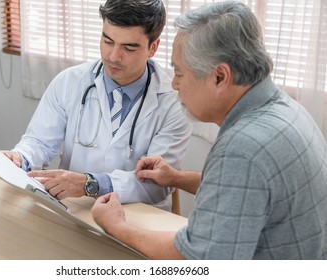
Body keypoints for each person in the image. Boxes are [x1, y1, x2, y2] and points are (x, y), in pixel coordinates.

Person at [91, 1, 327, 259]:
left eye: (180, 73)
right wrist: (176, 178)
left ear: (219, 77)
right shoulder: (286, 110)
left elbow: (195, 259)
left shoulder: (243, 148)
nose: (175, 84)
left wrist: (116, 226)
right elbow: (244, 189)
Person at [4, 0, 192, 211]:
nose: (113, 57)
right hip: (74, 211)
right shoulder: (69, 82)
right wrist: (22, 158)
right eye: (108, 41)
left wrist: (90, 184)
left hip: (138, 220)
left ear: (153, 48)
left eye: (129, 47)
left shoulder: (175, 101)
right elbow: (39, 142)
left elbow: (157, 185)